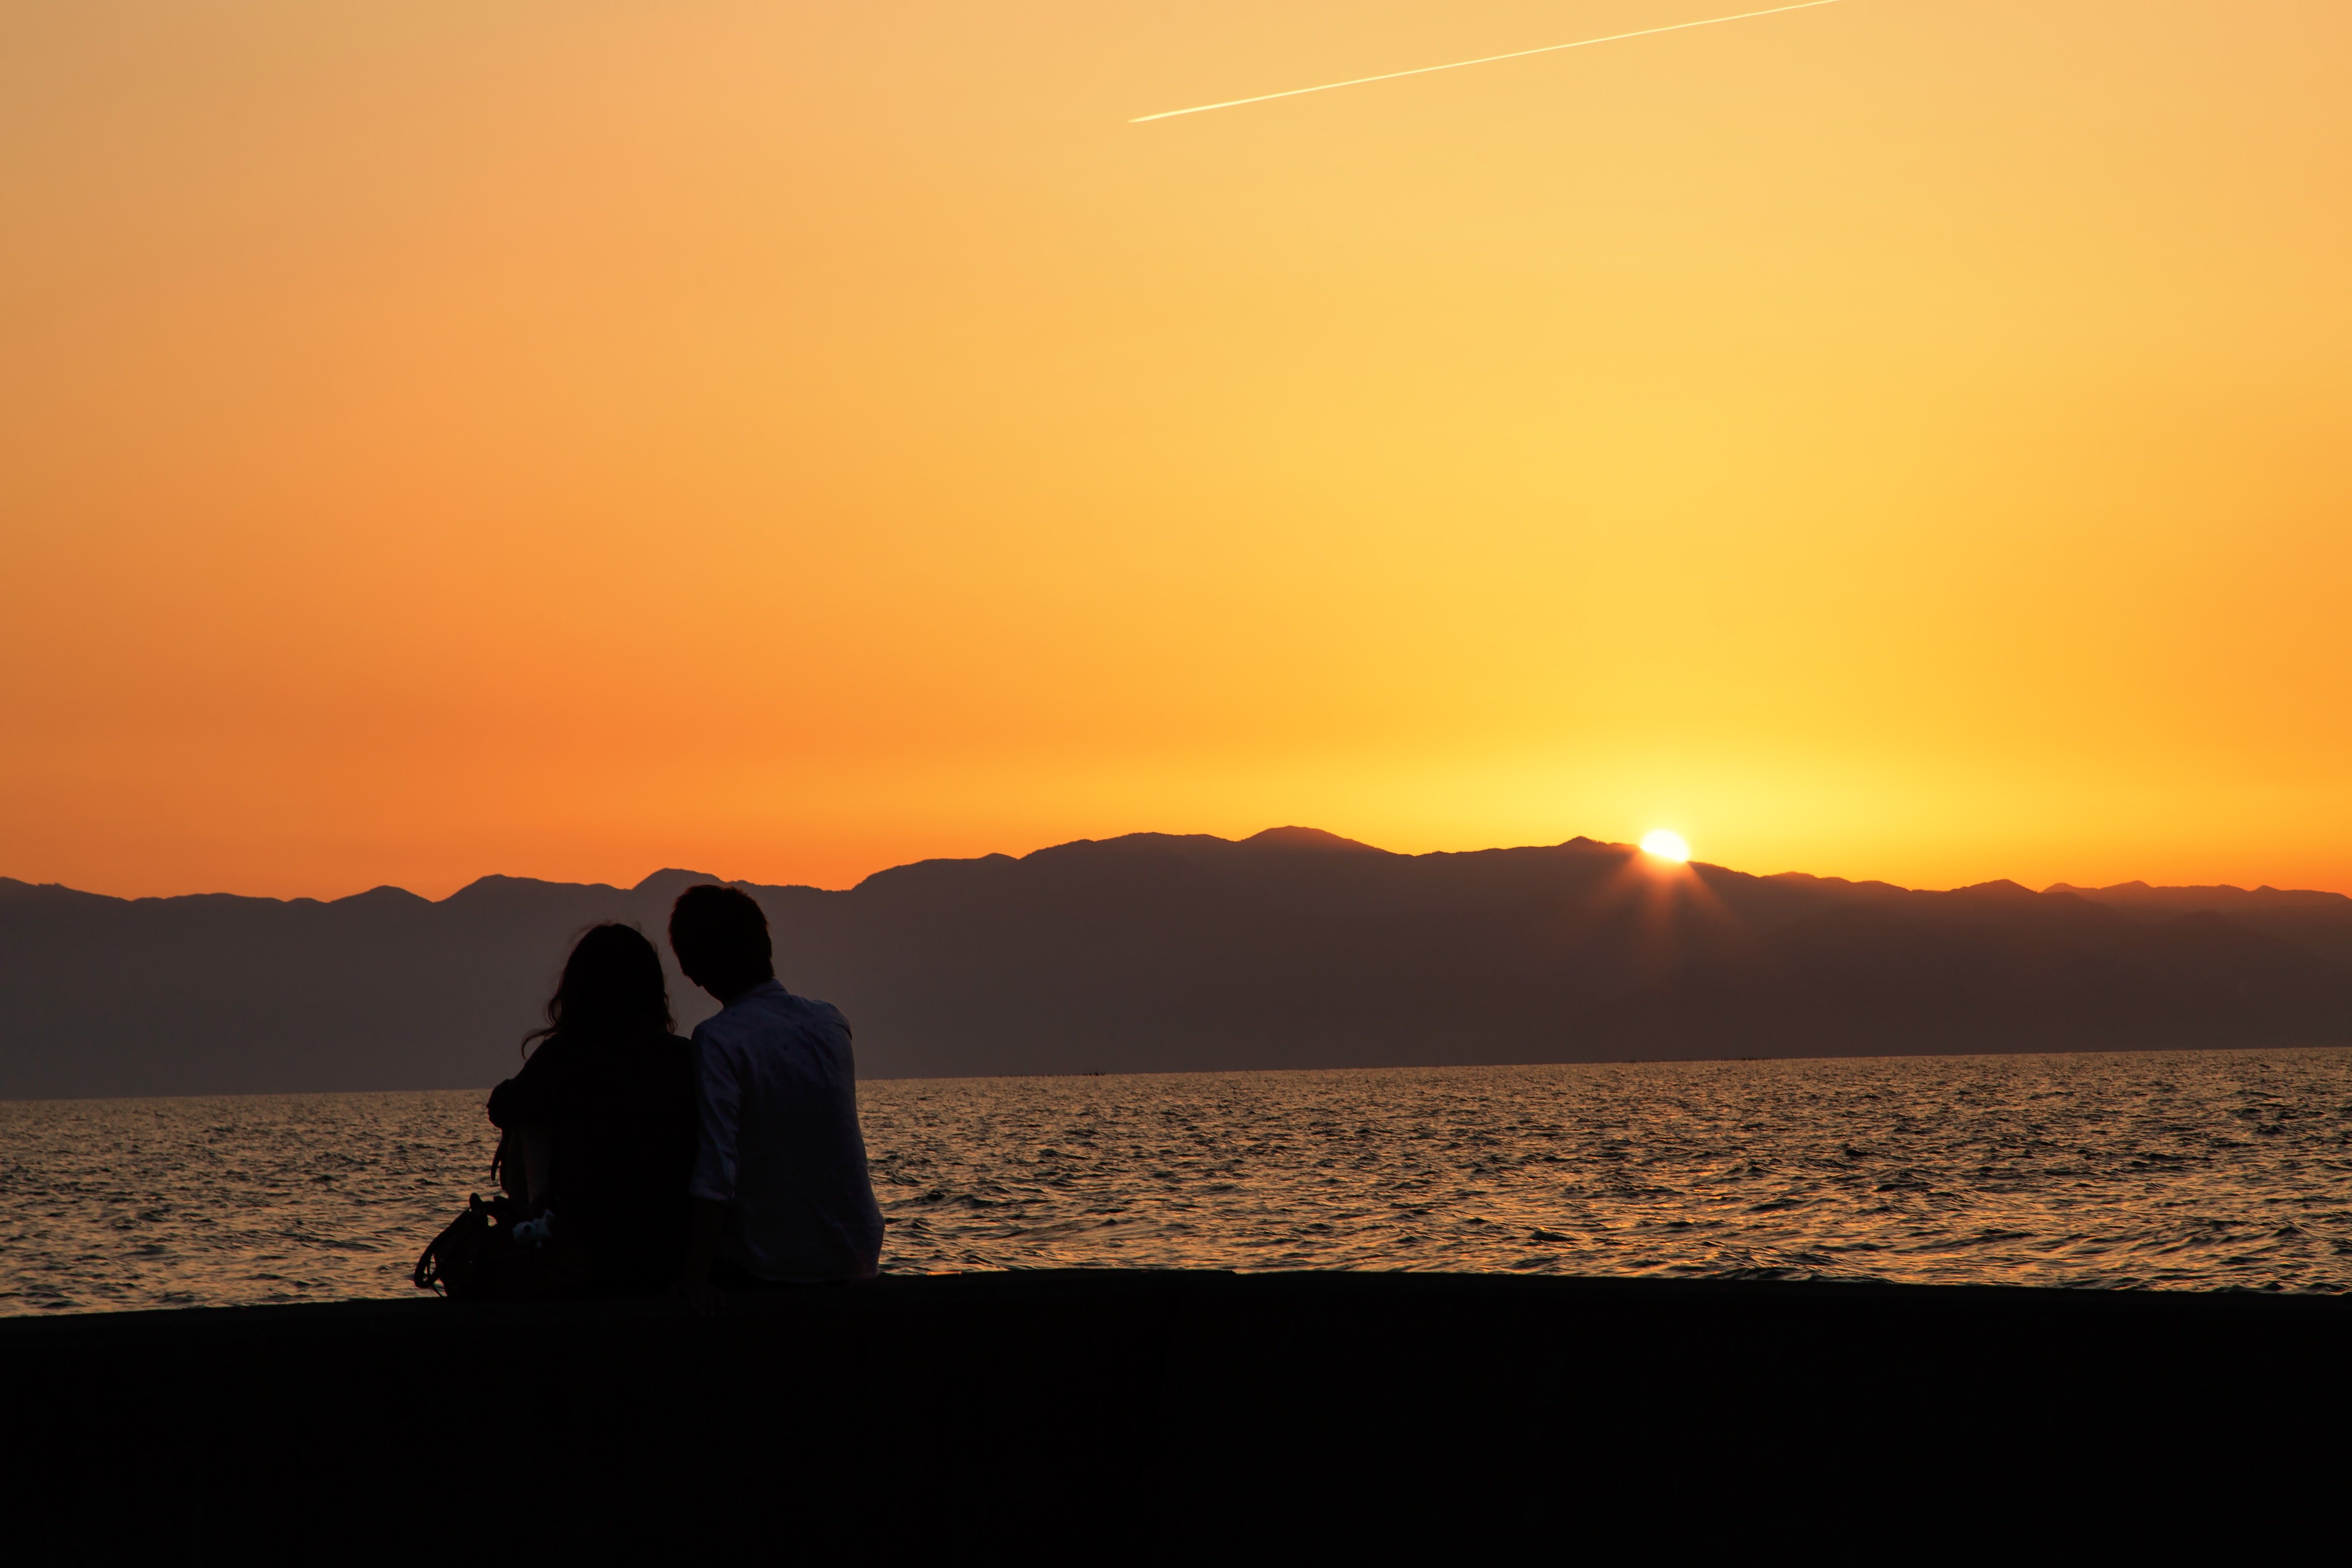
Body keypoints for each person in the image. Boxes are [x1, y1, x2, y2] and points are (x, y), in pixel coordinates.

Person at [668, 883, 883, 1305]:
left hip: (777, 1263)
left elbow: (717, 1167)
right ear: (765, 945)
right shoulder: (831, 1023)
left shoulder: (719, 1038)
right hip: (856, 1251)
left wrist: (693, 1276)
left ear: (694, 969)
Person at [485, 923, 699, 1295]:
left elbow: (502, 1105)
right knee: (526, 1110)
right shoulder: (684, 1058)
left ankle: (539, 1220)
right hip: (669, 1251)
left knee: (526, 1120)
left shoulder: (563, 1057)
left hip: (583, 1252)